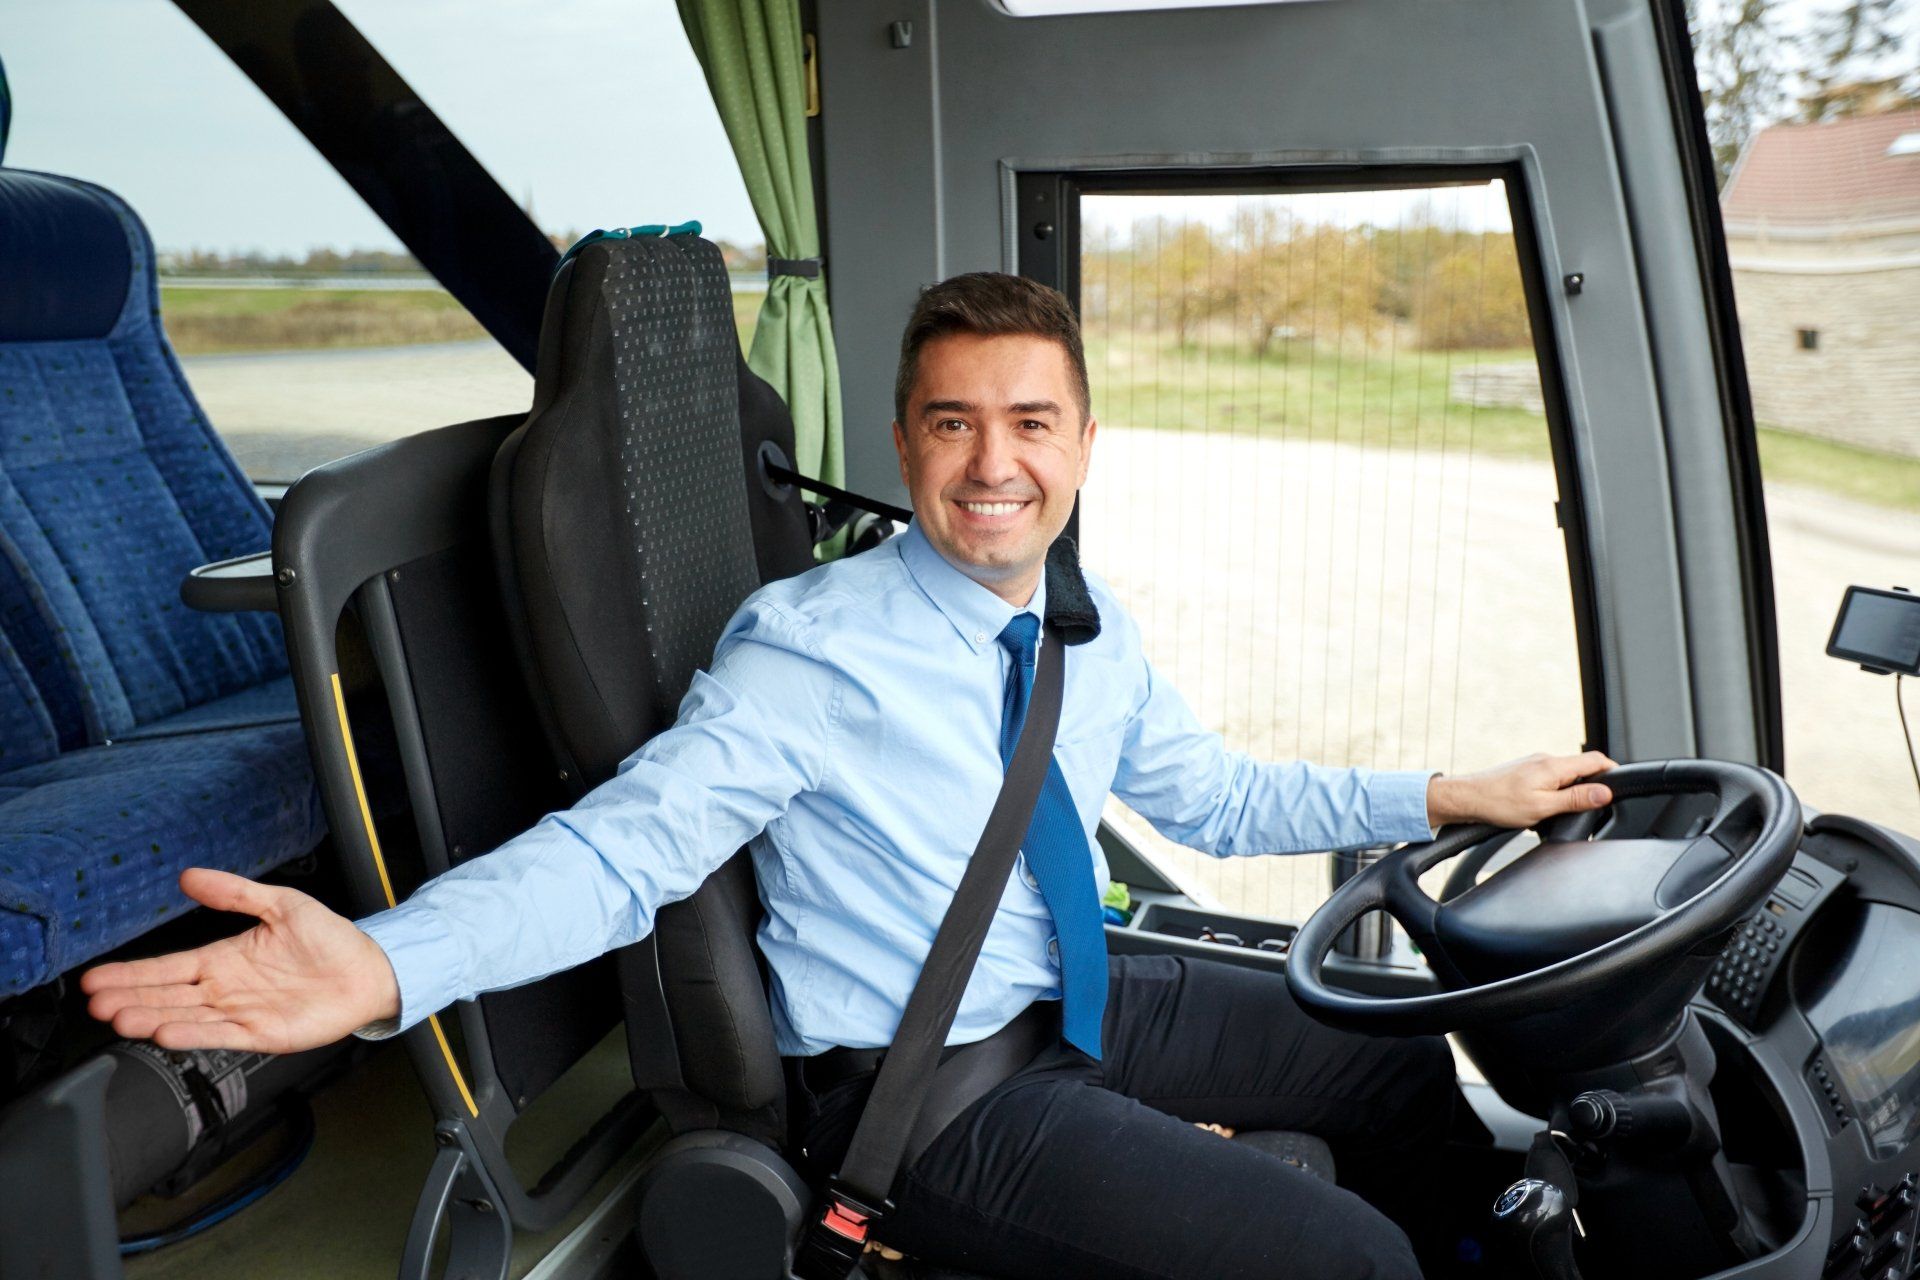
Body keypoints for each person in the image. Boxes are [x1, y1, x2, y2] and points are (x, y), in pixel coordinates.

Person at [83, 272, 1616, 1280]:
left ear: (1085, 441)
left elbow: (1214, 797)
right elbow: (629, 848)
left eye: (1029, 422)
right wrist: (384, 966)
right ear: (903, 440)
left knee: (1397, 1056)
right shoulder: (813, 651)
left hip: (1078, 1002)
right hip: (934, 1093)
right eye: (954, 424)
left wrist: (1444, 795)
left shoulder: (1081, 622)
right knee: (1342, 1263)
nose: (993, 463)